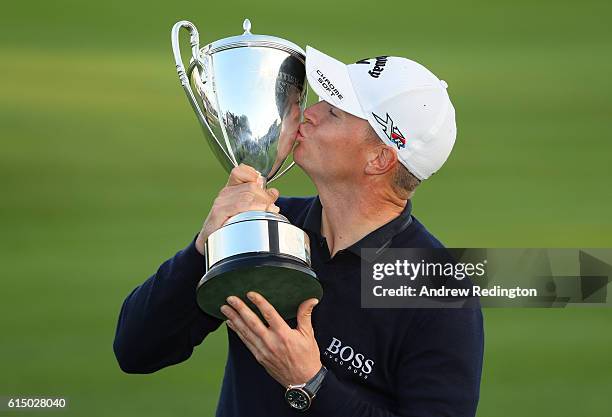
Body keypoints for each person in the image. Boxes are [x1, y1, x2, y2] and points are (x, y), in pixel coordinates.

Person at [113, 46, 484, 417]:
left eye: (334, 111)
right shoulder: (269, 223)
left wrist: (310, 382)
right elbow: (136, 349)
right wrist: (203, 247)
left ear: (380, 159)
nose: (310, 113)